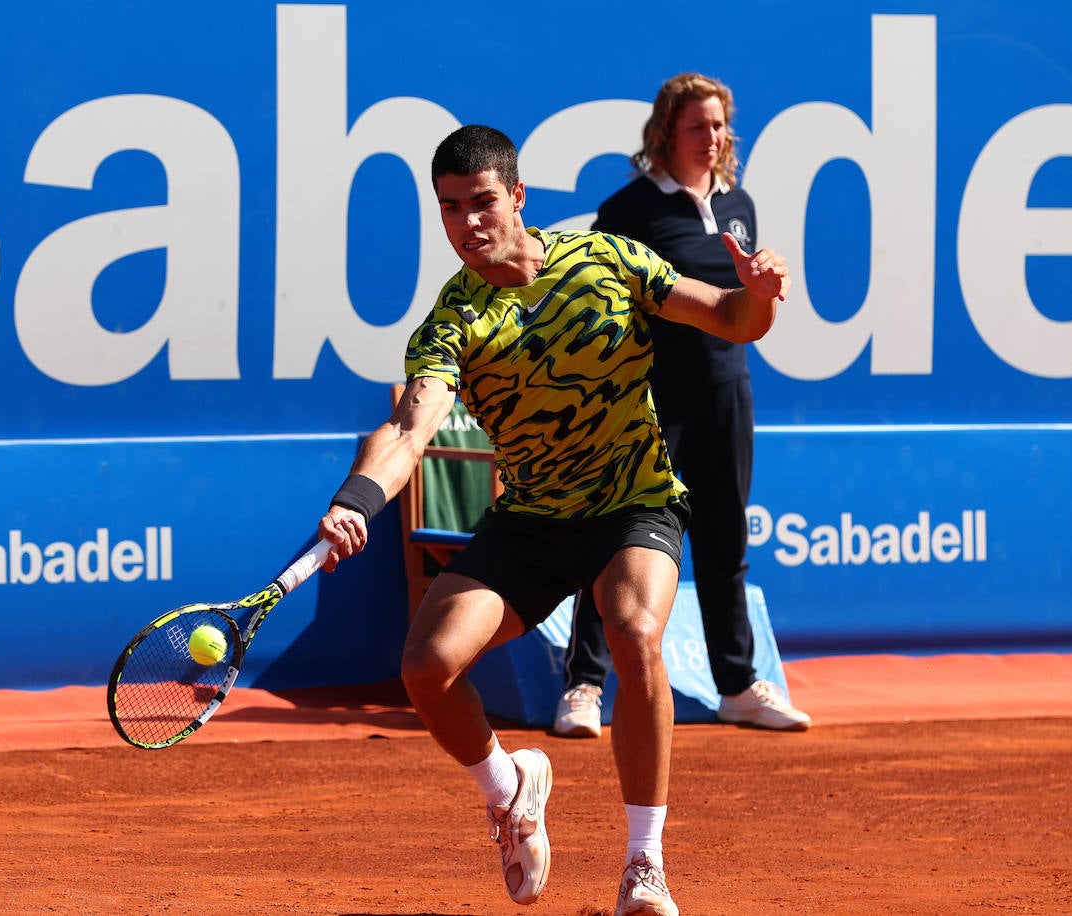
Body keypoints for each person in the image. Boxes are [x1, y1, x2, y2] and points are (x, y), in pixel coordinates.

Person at [315, 123, 789, 914]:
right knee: (427, 669)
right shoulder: (453, 321)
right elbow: (408, 431)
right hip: (532, 520)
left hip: (633, 500)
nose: (468, 222)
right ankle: (510, 793)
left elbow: (732, 320)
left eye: (483, 202)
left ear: (518, 197)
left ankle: (645, 865)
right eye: (450, 207)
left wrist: (762, 295)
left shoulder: (606, 260)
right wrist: (356, 500)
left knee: (636, 629)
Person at [552, 73, 811, 742]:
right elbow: (598, 306)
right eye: (699, 126)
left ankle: (736, 686)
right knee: (619, 542)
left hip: (728, 392)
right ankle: (584, 687)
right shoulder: (628, 211)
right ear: (667, 133)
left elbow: (748, 305)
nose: (713, 138)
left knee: (725, 542)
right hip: (649, 400)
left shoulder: (739, 205)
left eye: (720, 126)